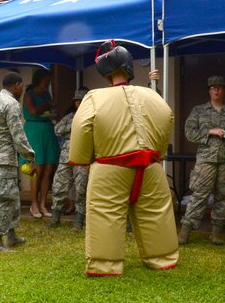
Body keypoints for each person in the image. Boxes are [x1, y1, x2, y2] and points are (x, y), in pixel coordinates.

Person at [69, 41, 177, 276]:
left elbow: (82, 126)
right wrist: (158, 153)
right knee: (155, 213)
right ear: (129, 67)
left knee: (105, 214)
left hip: (110, 167)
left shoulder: (95, 97)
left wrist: (83, 158)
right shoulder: (152, 96)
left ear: (105, 71)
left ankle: (105, 264)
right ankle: (162, 257)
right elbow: (167, 118)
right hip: (150, 167)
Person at [177, 76, 225, 245]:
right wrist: (210, 131)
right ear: (209, 91)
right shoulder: (199, 111)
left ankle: (217, 232)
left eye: (220, 87)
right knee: (200, 194)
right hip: (206, 159)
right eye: (213, 87)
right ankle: (185, 230)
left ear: (224, 90)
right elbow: (189, 132)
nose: (216, 90)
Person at [0, 72, 36, 253]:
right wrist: (30, 156)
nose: (22, 90)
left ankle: (11, 235)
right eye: (22, 86)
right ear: (17, 85)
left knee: (12, 196)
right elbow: (18, 134)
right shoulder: (11, 104)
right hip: (4, 158)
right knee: (4, 199)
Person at [48, 88, 89, 230]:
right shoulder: (70, 116)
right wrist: (73, 126)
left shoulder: (93, 116)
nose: (79, 103)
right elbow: (57, 129)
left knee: (81, 189)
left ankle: (79, 220)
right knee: (58, 186)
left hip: (83, 158)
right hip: (66, 157)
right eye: (77, 101)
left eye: (81, 100)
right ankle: (55, 218)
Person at [22, 68, 59, 218]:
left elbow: (51, 110)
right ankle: (34, 203)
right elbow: (33, 111)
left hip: (47, 129)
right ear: (38, 81)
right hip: (34, 130)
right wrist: (47, 105)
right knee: (37, 168)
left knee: (49, 167)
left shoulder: (46, 94)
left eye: (49, 82)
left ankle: (43, 203)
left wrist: (52, 111)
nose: (47, 84)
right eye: (45, 81)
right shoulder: (29, 94)